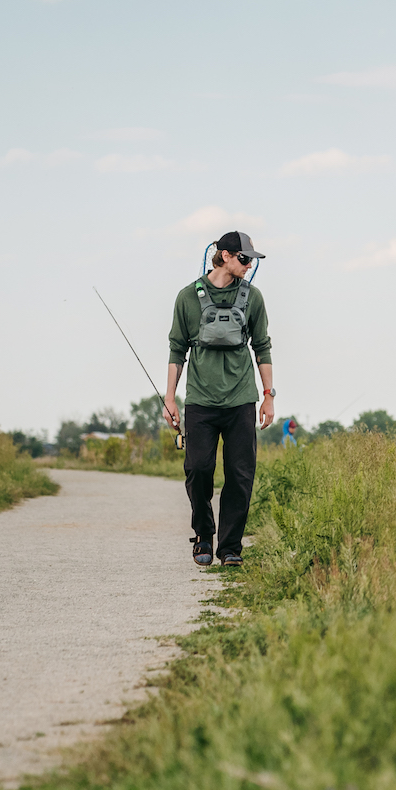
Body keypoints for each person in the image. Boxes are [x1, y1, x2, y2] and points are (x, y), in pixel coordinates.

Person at [163, 231, 276, 568]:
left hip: (242, 399)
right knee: (198, 470)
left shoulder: (253, 297)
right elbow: (176, 348)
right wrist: (170, 397)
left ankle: (230, 548)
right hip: (200, 400)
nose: (248, 265)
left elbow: (263, 346)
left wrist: (268, 396)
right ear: (224, 255)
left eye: (251, 259)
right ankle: (203, 535)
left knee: (241, 475)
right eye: (243, 258)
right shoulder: (187, 296)